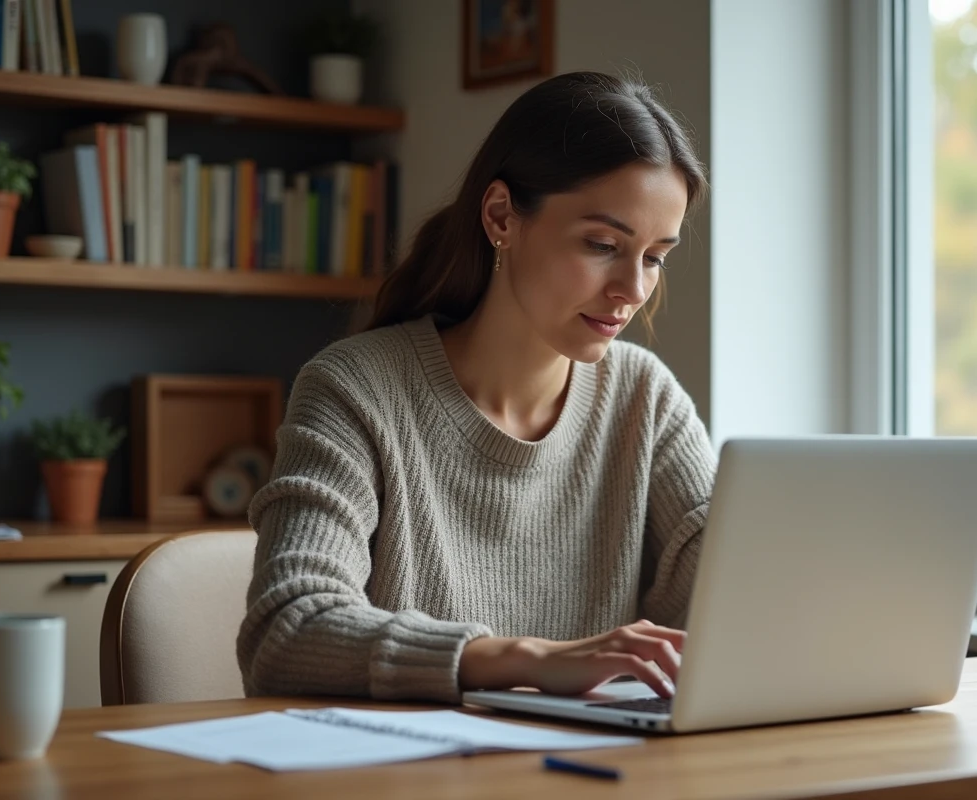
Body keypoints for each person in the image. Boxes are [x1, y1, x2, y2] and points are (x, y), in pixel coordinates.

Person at [236, 71, 715, 704]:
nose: (633, 289)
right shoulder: (355, 388)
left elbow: (730, 593)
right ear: (501, 217)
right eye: (603, 244)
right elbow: (287, 630)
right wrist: (525, 660)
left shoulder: (645, 399)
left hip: (596, 758)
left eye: (654, 257)